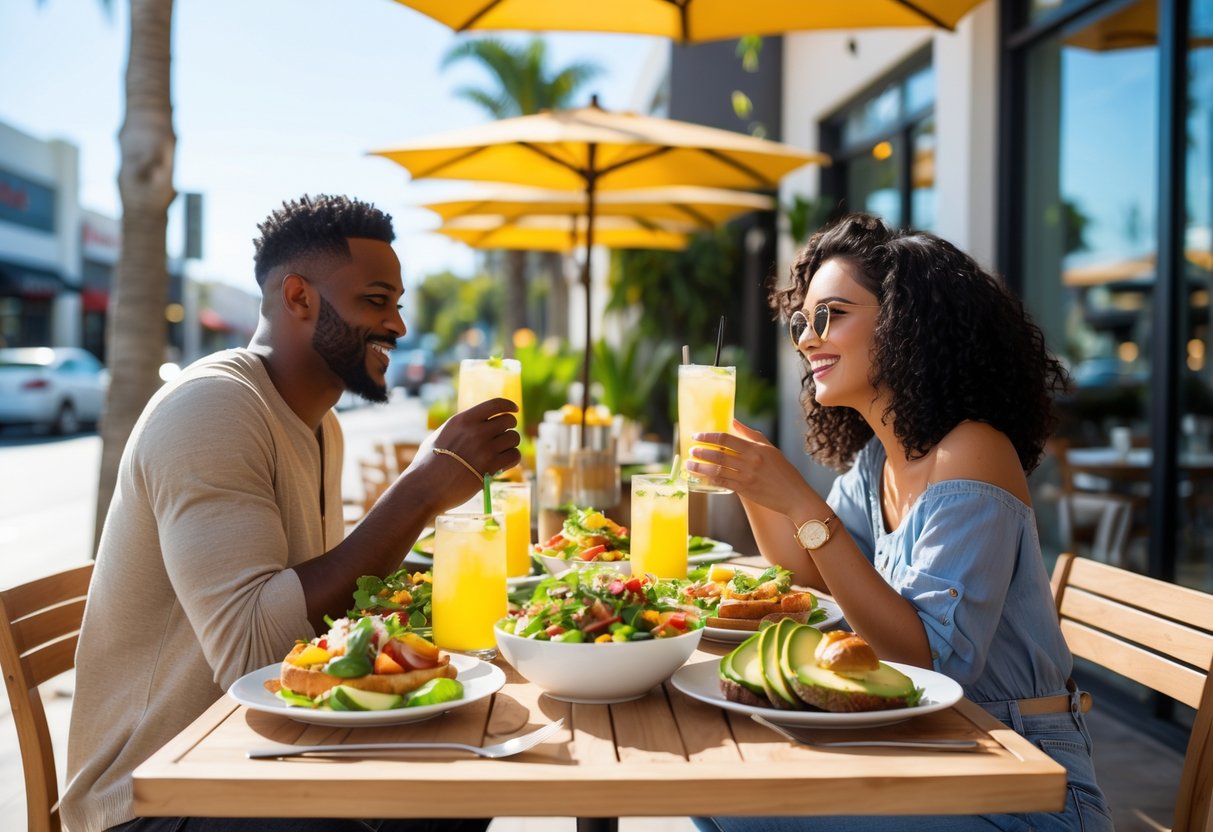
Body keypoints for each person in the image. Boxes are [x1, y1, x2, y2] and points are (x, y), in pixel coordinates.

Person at [62, 194, 520, 832]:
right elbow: (253, 653)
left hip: (269, 748)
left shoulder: (319, 423)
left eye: (397, 305)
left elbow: (310, 617)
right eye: (375, 301)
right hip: (158, 792)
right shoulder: (212, 409)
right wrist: (417, 492)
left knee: (475, 760)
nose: (398, 327)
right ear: (300, 298)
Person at [685, 213, 1112, 831]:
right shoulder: (876, 462)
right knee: (718, 788)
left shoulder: (971, 453)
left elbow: (931, 662)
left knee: (746, 812)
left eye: (831, 313)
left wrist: (801, 501)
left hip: (1019, 778)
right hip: (929, 747)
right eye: (802, 321)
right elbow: (814, 578)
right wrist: (752, 484)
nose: (807, 339)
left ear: (905, 323)